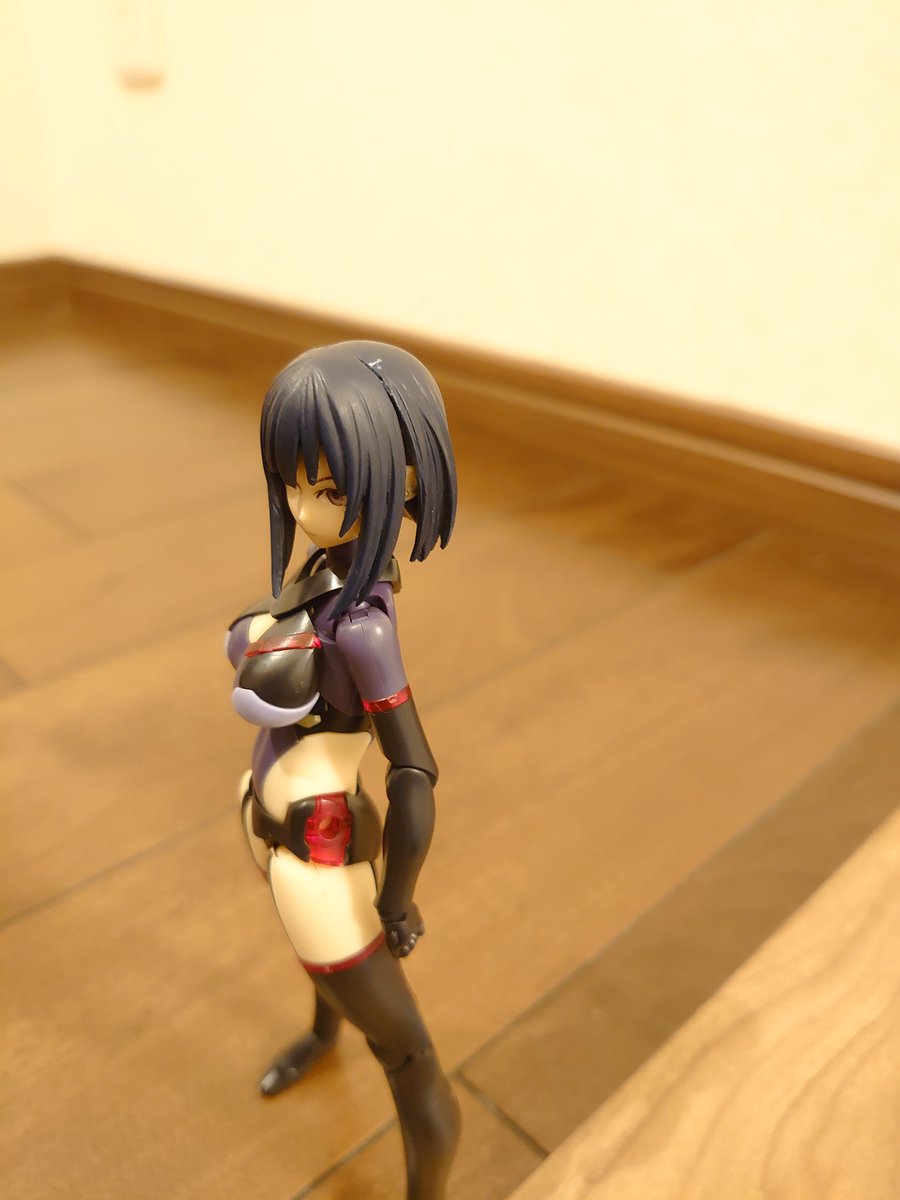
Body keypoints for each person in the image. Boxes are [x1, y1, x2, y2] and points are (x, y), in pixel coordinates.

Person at [225, 341, 460, 1200]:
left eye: (325, 491)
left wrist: (396, 901)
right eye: (292, 482)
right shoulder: (318, 577)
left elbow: (414, 772)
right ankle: (324, 1037)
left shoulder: (364, 629)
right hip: (262, 814)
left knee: (409, 1053)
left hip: (319, 852)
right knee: (310, 955)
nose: (301, 506)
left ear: (401, 483)